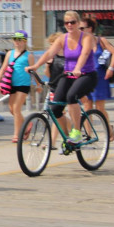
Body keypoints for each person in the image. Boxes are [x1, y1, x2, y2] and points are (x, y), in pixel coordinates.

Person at [26, 10, 97, 146]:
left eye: (73, 22)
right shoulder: (62, 38)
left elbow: (85, 53)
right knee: (55, 109)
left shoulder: (86, 37)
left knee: (71, 97)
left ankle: (76, 132)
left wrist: (78, 68)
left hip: (86, 75)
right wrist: (36, 65)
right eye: (66, 23)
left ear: (77, 23)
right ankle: (67, 137)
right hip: (68, 75)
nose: (70, 25)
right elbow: (49, 53)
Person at [80, 17, 114, 142]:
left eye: (82, 28)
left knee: (99, 107)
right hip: (85, 77)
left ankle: (108, 129)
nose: (79, 30)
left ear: (90, 28)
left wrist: (111, 68)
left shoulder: (101, 41)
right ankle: (88, 135)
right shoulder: (80, 43)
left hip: (101, 77)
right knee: (87, 106)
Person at [0, 30, 36, 142]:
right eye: (15, 39)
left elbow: (34, 71)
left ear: (25, 41)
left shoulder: (29, 55)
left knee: (17, 109)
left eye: (19, 40)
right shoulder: (9, 54)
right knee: (12, 109)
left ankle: (16, 135)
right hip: (11, 84)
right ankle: (27, 125)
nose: (17, 42)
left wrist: (37, 84)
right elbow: (3, 68)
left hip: (24, 84)